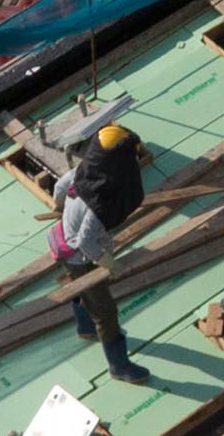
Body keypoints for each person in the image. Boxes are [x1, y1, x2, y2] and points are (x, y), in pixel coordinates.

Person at [52, 117, 151, 379]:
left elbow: (60, 186)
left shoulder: (85, 171)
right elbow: (86, 242)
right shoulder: (100, 201)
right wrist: (109, 264)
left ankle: (85, 327)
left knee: (80, 288)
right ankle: (119, 367)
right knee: (106, 312)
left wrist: (59, 207)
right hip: (82, 256)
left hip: (65, 242)